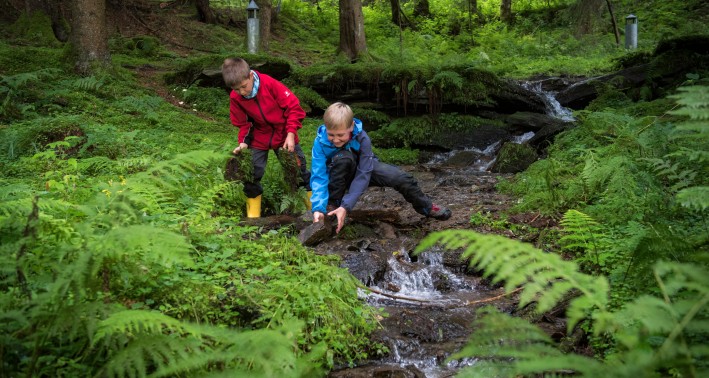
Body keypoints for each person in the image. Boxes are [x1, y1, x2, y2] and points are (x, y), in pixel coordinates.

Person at [310, 102, 451, 233]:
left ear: (352, 127)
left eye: (340, 135)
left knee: (401, 178)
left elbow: (364, 173)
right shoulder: (320, 143)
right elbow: (319, 176)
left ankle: (425, 206)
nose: (335, 140)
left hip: (364, 169)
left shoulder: (362, 137)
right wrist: (317, 207)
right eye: (331, 135)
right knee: (343, 158)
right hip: (337, 176)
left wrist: (347, 206)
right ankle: (332, 207)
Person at [221, 58, 312, 218]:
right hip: (259, 137)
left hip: (284, 133)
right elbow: (244, 124)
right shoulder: (236, 98)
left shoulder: (270, 84)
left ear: (250, 76)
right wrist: (243, 143)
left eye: (244, 86)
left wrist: (291, 134)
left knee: (298, 172)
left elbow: (293, 108)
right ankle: (253, 219)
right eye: (237, 89)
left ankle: (313, 212)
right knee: (251, 174)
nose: (242, 92)